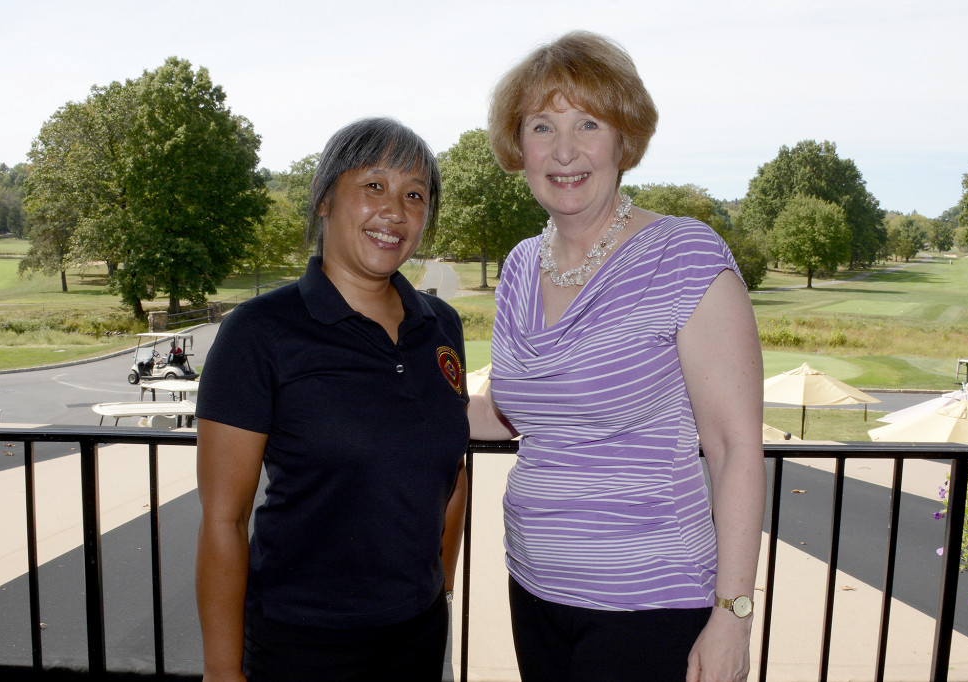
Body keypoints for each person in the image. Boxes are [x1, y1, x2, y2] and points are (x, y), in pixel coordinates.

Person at [469, 32, 766, 682]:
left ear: (623, 138)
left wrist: (733, 615)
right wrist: (382, 400)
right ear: (518, 147)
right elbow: (509, 412)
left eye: (588, 123)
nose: (565, 150)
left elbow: (734, 445)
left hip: (649, 605)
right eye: (542, 126)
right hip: (533, 588)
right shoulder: (520, 265)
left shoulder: (683, 256)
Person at [195, 117, 469, 682]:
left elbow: (451, 472)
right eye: (374, 185)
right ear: (324, 199)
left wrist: (438, 588)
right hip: (302, 643)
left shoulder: (440, 326)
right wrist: (223, 673)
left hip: (416, 635)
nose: (394, 210)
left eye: (414, 195)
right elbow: (224, 518)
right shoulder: (259, 332)